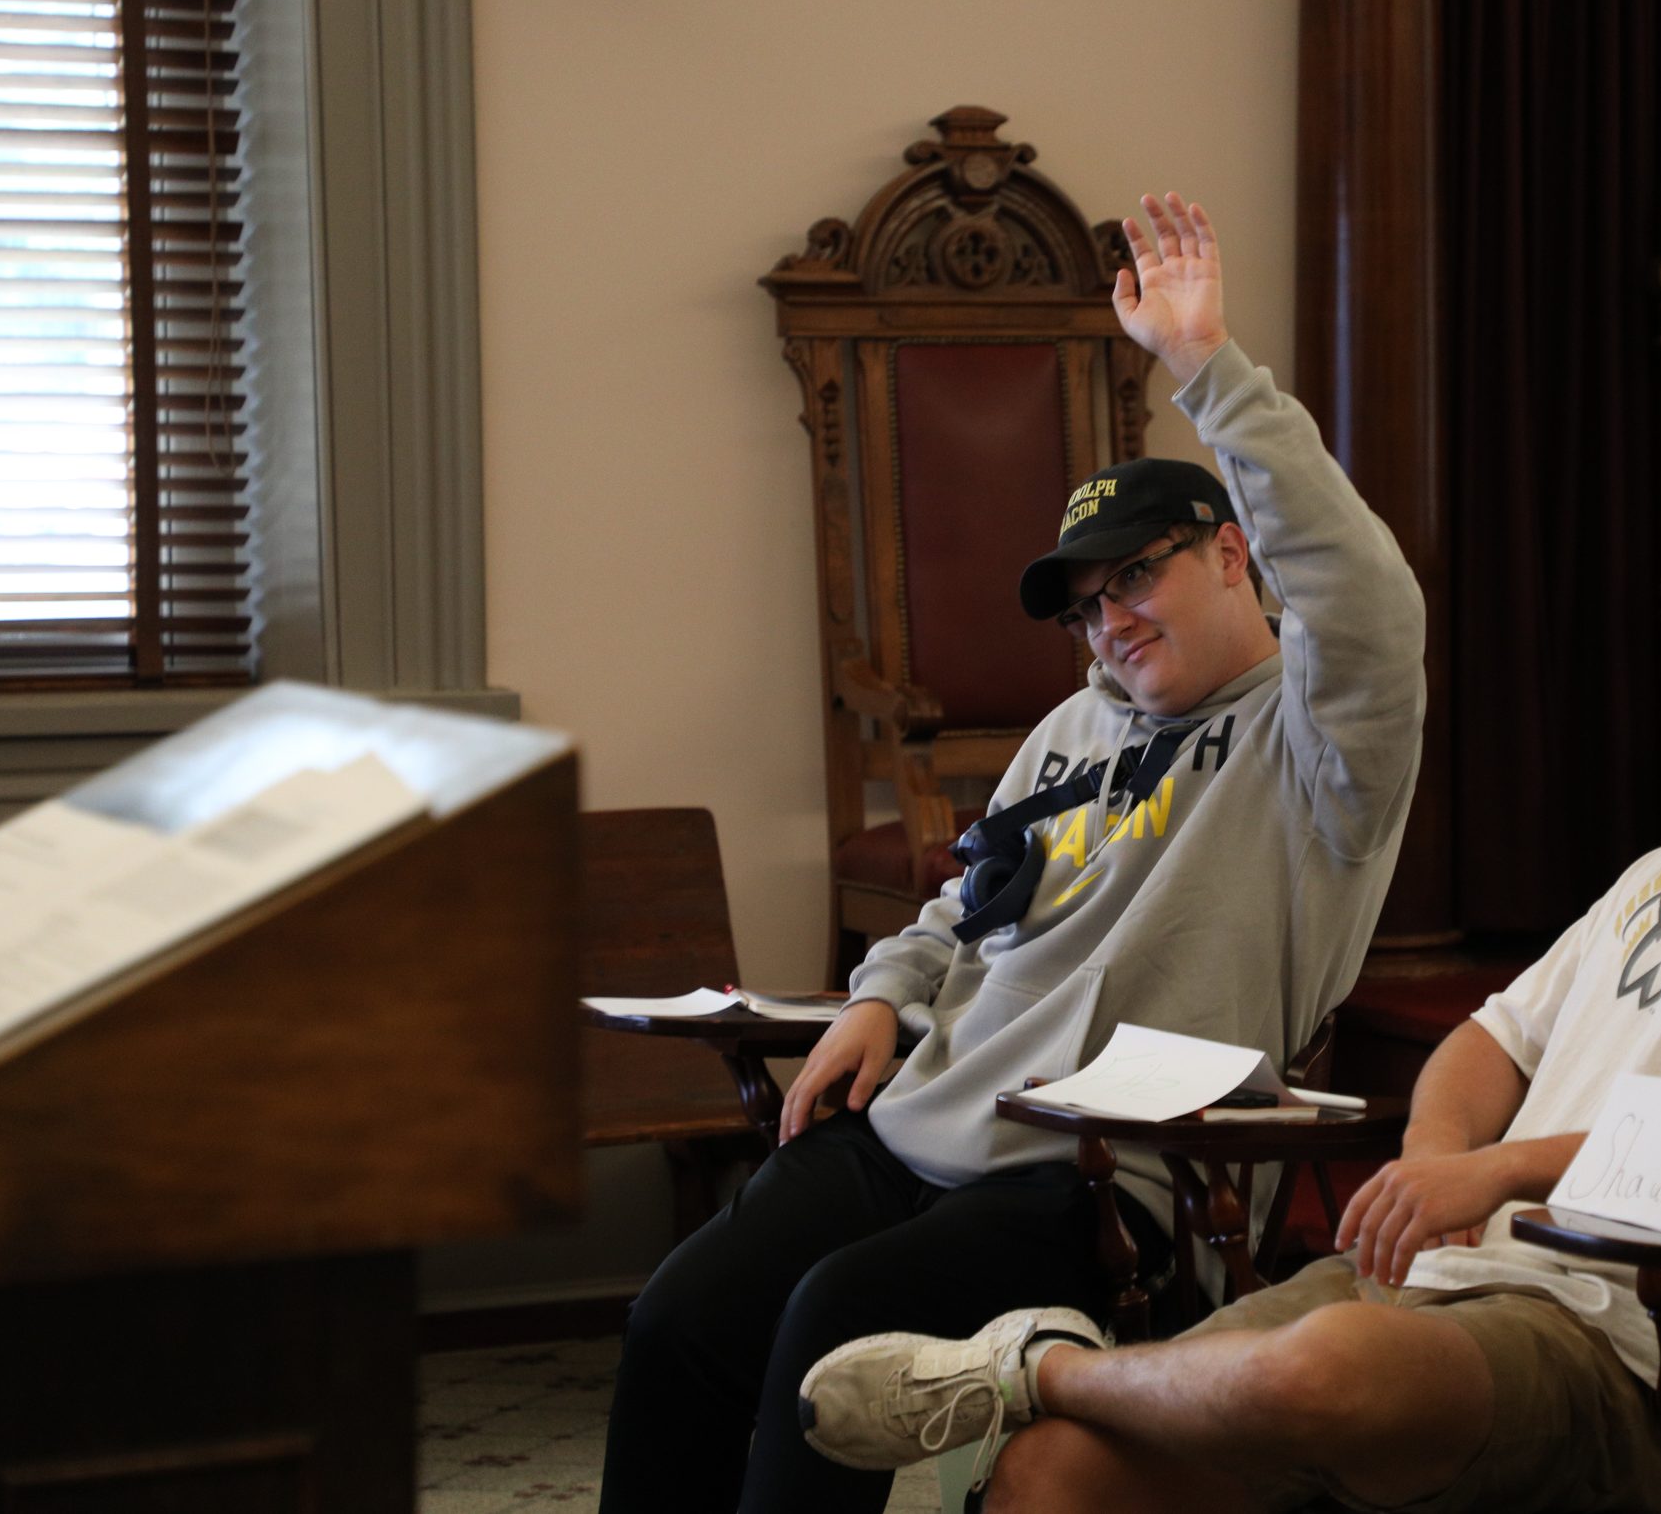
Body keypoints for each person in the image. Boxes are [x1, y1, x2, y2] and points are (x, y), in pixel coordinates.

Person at [799, 531, 1661, 1514]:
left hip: (1626, 1343)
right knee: (1057, 1477)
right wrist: (1432, 1169)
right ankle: (1050, 1396)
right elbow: (1485, 1042)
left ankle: (1035, 1364)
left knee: (1319, 1369)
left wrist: (1497, 1173)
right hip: (1438, 1283)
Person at [598, 193, 1428, 1514]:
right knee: (684, 1313)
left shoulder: (1319, 738)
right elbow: (965, 899)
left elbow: (1365, 587)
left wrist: (1204, 366)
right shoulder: (1071, 724)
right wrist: (887, 988)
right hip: (924, 1115)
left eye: (1135, 579)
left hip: (1101, 1173)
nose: (1109, 620)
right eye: (1086, 604)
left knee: (833, 1332)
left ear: (1231, 555)